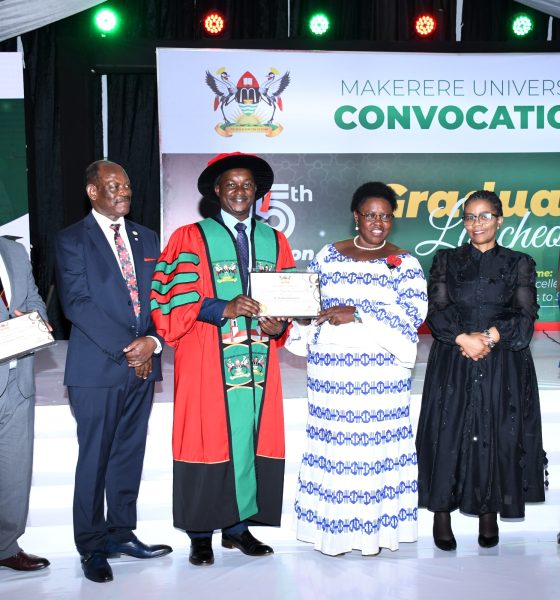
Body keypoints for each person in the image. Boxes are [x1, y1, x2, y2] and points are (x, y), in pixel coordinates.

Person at [150, 152, 295, 566]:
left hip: (257, 362)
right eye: (230, 184)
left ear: (258, 193)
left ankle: (236, 528)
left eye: (247, 185)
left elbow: (286, 300)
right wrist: (221, 308)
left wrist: (277, 326)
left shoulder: (274, 240)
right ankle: (200, 533)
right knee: (204, 436)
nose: (239, 191)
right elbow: (168, 297)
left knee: (248, 436)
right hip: (206, 356)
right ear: (216, 191)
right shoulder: (189, 237)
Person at [289, 182, 428, 556]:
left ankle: (375, 533)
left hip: (381, 377)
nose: (378, 222)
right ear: (356, 216)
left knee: (375, 453)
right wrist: (298, 312)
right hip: (332, 375)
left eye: (385, 215)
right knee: (336, 449)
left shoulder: (406, 262)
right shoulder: (328, 255)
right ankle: (332, 533)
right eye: (371, 214)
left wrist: (359, 313)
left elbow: (414, 314)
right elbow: (310, 301)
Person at [55, 160, 172, 583]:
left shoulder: (147, 237)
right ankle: (91, 545)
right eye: (113, 185)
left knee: (128, 454)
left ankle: (121, 532)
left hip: (143, 365)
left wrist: (153, 343)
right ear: (92, 191)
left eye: (126, 184)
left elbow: (162, 298)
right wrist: (132, 349)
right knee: (95, 459)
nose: (123, 191)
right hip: (98, 368)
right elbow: (77, 304)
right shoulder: (72, 240)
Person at [416, 189, 546, 551]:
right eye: (470, 217)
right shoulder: (446, 260)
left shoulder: (520, 262)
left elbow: (525, 318)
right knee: (448, 432)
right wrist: (463, 338)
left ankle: (489, 511)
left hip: (503, 361)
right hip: (453, 360)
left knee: (497, 432)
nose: (477, 224)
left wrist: (488, 337)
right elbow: (436, 310)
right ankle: (441, 514)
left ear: (500, 220)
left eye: (485, 216)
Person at [0, 237, 50, 572]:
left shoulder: (13, 250)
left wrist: (36, 318)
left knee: (14, 470)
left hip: (18, 377)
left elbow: (34, 299)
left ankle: (5, 546)